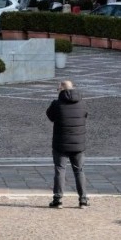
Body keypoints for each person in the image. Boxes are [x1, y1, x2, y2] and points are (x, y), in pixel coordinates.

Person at [46, 80, 89, 209]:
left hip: (61, 144)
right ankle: (83, 200)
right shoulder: (82, 103)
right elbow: (85, 116)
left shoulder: (56, 104)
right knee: (79, 171)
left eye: (58, 88)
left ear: (62, 89)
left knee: (60, 170)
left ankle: (57, 200)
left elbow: (50, 116)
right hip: (78, 145)